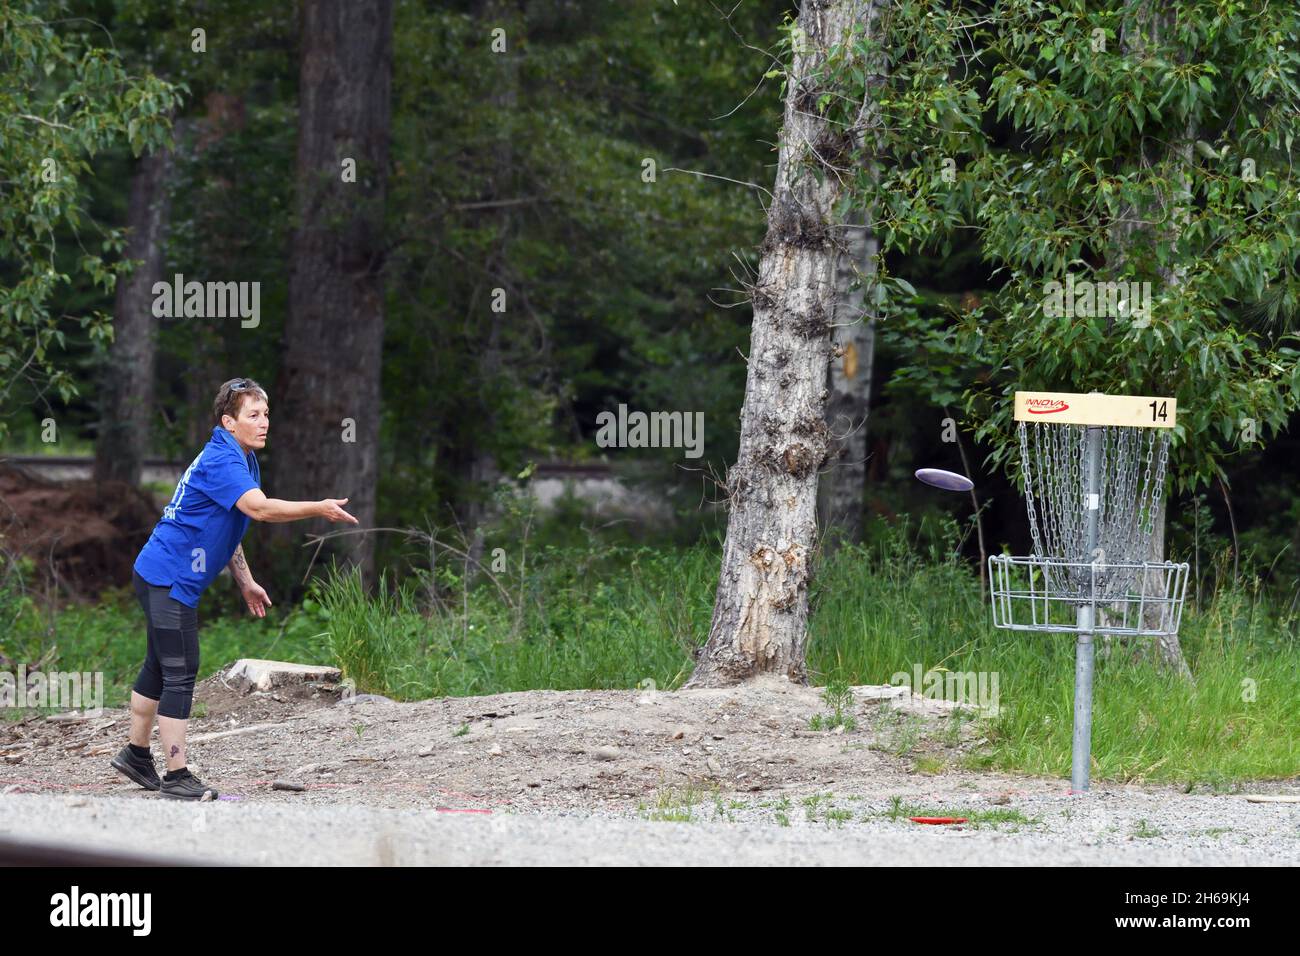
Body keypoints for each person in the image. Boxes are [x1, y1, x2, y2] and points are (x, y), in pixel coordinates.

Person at [111, 377, 358, 800]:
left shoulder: (241, 457)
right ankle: (176, 775)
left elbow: (230, 523)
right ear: (229, 421)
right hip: (166, 576)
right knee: (180, 670)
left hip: (160, 573)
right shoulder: (222, 460)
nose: (264, 423)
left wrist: (245, 581)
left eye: (266, 415)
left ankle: (136, 754)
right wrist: (318, 507)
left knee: (160, 664)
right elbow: (258, 510)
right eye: (253, 415)